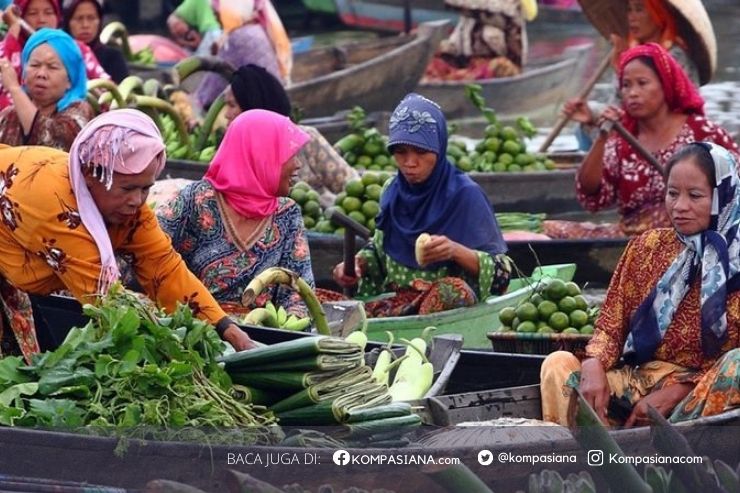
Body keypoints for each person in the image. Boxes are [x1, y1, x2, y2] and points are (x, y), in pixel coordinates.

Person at [0, 109, 256, 360]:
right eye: (128, 188)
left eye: (146, 188)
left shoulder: (129, 211)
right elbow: (104, 298)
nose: (137, 200)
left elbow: (163, 267)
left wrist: (226, 328)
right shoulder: (54, 205)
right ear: (90, 175)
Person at [541, 142, 740, 427]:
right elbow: (610, 327)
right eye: (672, 194)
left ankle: (672, 442)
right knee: (558, 363)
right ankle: (589, 450)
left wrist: (679, 390)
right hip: (637, 381)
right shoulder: (647, 247)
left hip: (700, 395)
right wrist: (593, 363)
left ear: (724, 196)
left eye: (695, 196)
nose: (680, 207)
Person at [332, 93, 511, 317]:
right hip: (396, 305)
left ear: (439, 148)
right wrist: (356, 266)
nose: (410, 163)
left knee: (452, 291)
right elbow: (379, 252)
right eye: (400, 152)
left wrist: (455, 251)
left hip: (443, 308)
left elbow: (502, 273)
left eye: (421, 152)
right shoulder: (391, 190)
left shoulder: (465, 194)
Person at [544, 43, 739, 239]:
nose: (632, 93)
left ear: (665, 84)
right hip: (633, 238)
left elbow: (735, 183)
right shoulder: (622, 140)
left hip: (692, 236)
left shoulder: (702, 132)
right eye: (626, 85)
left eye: (642, 83)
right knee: (546, 229)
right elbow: (592, 194)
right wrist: (602, 138)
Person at [157, 109, 315, 316]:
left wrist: (288, 325)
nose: (298, 165)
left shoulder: (287, 214)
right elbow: (145, 252)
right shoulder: (194, 201)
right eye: (290, 155)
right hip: (193, 331)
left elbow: (300, 294)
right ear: (262, 155)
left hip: (260, 337)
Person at [564, 0, 706, 149]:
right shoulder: (630, 55)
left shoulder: (676, 57)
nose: (631, 17)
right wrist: (592, 114)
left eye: (639, 10)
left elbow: (657, 112)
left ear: (659, 15)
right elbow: (618, 106)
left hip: (664, 136)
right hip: (633, 129)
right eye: (630, 10)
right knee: (583, 128)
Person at [222, 64, 358, 207]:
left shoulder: (305, 140)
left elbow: (350, 185)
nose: (226, 114)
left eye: (232, 105)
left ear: (253, 108)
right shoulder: (234, 153)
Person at [0, 0, 110, 110]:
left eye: (48, 13)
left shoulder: (75, 48)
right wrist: (14, 28)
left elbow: (107, 90)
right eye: (33, 13)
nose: (41, 20)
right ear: (22, 17)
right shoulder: (10, 47)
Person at [0, 28, 94, 150]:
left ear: (70, 80)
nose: (41, 74)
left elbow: (50, 140)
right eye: (35, 65)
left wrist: (14, 88)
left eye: (52, 67)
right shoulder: (9, 115)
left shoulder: (79, 111)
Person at [194, 0, 291, 110]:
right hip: (274, 102)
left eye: (216, 12)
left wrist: (197, 102)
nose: (215, 17)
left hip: (259, 107)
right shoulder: (255, 28)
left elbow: (215, 85)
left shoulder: (236, 37)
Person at [424, 0, 529, 81]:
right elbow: (455, 45)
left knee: (495, 68)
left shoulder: (506, 11)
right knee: (432, 64)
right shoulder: (468, 19)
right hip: (465, 63)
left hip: (496, 66)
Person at [62, 0, 129, 83]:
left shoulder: (113, 57)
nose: (85, 25)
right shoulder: (57, 55)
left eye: (91, 18)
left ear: (100, 21)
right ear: (67, 22)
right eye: (79, 18)